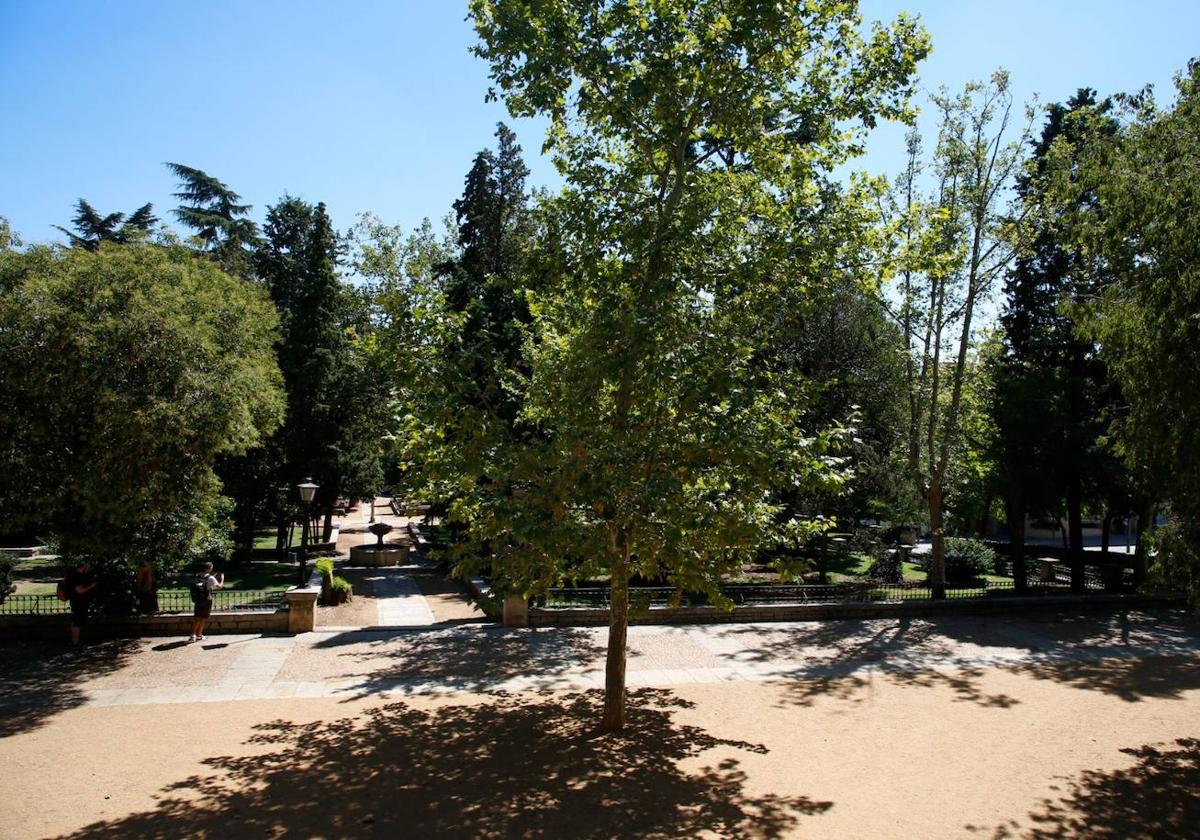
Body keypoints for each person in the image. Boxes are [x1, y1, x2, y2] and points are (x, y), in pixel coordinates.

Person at [64, 560, 98, 646]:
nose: (89, 569)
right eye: (87, 567)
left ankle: (75, 641)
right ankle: (75, 642)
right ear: (83, 567)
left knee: (77, 621)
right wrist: (91, 586)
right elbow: (79, 590)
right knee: (77, 621)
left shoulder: (73, 573)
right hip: (78, 601)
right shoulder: (76, 576)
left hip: (77, 601)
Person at [189, 562, 224, 642]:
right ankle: (199, 635)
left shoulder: (197, 576)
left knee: (197, 617)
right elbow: (219, 587)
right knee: (203, 618)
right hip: (206, 600)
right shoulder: (211, 578)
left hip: (197, 600)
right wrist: (222, 579)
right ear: (210, 568)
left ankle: (194, 635)